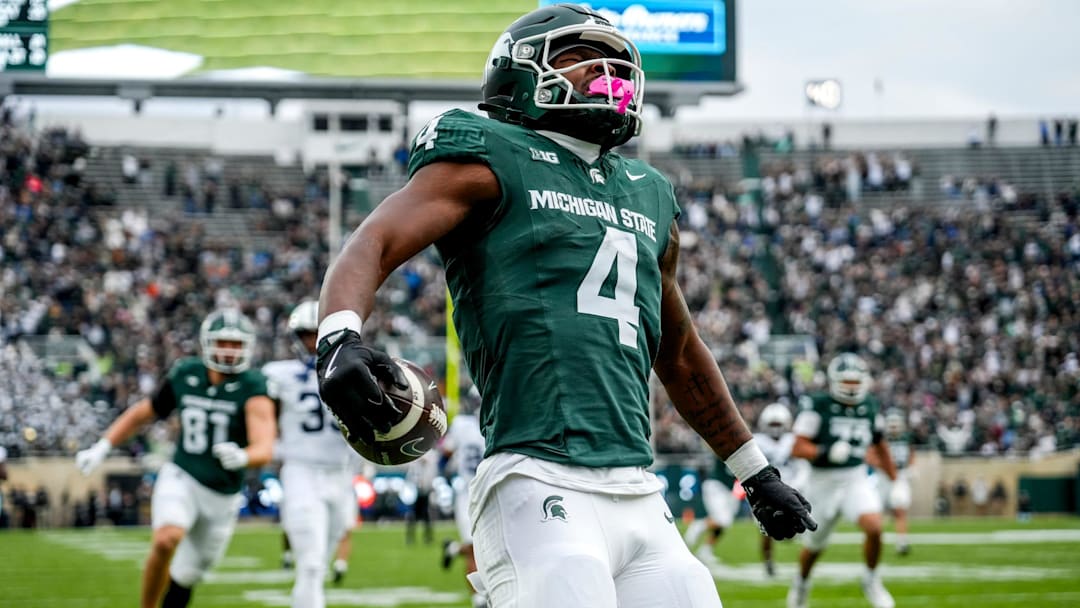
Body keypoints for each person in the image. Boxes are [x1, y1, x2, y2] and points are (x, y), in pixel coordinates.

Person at [313, 5, 815, 607]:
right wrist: (338, 336)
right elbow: (374, 240)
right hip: (537, 474)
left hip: (638, 487)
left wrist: (755, 471)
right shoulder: (493, 154)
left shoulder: (648, 193)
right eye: (578, 57)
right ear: (517, 72)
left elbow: (679, 352)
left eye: (614, 61)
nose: (606, 71)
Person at [75, 308, 276, 608]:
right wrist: (102, 446)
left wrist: (243, 456)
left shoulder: (254, 385)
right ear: (207, 343)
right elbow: (142, 414)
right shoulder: (186, 373)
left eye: (236, 344)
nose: (229, 350)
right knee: (166, 539)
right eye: (223, 342)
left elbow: (265, 447)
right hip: (183, 475)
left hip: (222, 496)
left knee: (186, 575)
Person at [263, 300, 360, 608]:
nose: (313, 341)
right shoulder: (278, 374)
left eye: (319, 333)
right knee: (311, 564)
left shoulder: (354, 371)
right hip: (301, 471)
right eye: (307, 334)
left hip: (340, 473)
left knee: (319, 564)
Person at [787, 353, 899, 608]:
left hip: (854, 478)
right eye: (846, 381)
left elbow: (881, 446)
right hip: (821, 481)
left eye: (855, 381)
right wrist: (825, 451)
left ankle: (871, 579)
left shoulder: (870, 406)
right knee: (814, 547)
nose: (851, 387)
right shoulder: (818, 404)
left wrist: (895, 480)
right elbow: (797, 447)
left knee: (874, 527)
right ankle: (801, 584)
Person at [440, 389, 489, 608]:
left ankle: (452, 548)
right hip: (467, 492)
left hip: (489, 490)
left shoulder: (462, 425)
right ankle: (478, 598)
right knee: (474, 546)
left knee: (488, 546)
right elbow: (446, 452)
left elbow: (446, 453)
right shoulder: (465, 425)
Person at [753, 402, 808, 577]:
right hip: (766, 493)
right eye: (772, 424)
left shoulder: (792, 440)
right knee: (766, 528)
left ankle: (803, 564)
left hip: (791, 489)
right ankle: (768, 562)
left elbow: (803, 468)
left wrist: (796, 487)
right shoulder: (756, 442)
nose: (775, 428)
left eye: (778, 424)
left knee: (794, 529)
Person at [866, 408, 914, 555]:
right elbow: (869, 456)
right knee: (876, 512)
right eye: (891, 423)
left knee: (900, 511)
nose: (894, 426)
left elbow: (911, 454)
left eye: (896, 423)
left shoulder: (906, 438)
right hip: (882, 477)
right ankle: (875, 541)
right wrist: (884, 466)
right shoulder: (881, 439)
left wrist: (910, 467)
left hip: (900, 477)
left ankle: (902, 542)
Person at [683, 458, 739, 567]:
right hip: (716, 486)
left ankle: (705, 551)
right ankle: (697, 526)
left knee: (724, 523)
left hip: (727, 489)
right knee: (723, 521)